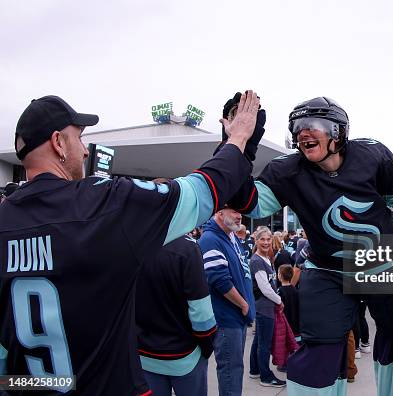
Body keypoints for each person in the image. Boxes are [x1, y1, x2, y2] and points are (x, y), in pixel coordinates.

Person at [0, 92, 261, 394]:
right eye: (79, 139)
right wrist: (239, 138)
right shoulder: (102, 204)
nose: (85, 151)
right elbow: (201, 192)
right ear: (59, 142)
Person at [239, 96, 393, 395]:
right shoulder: (285, 171)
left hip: (387, 263)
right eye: (298, 126)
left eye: (313, 125)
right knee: (320, 351)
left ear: (338, 131)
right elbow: (246, 202)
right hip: (328, 270)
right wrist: (238, 147)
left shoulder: (372, 155)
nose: (303, 132)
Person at [136, 235, 215, 396]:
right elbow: (202, 313)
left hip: (144, 352)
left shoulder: (132, 239)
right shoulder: (187, 247)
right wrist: (207, 346)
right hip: (184, 355)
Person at [199, 208, 256, 396]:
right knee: (231, 372)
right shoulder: (210, 239)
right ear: (219, 213)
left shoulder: (230, 237)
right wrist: (243, 304)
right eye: (234, 210)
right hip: (226, 319)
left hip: (237, 319)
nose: (239, 215)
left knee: (235, 370)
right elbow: (218, 279)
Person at [248, 227, 286, 387]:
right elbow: (265, 288)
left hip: (265, 307)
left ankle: (255, 370)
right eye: (262, 239)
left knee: (258, 340)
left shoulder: (266, 258)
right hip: (264, 307)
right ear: (256, 241)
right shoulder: (256, 261)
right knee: (264, 343)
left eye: (268, 239)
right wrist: (279, 300)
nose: (265, 242)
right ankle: (265, 376)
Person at [277, 264, 300, 341]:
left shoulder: (279, 291)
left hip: (285, 321)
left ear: (280, 276)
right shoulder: (295, 290)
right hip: (296, 322)